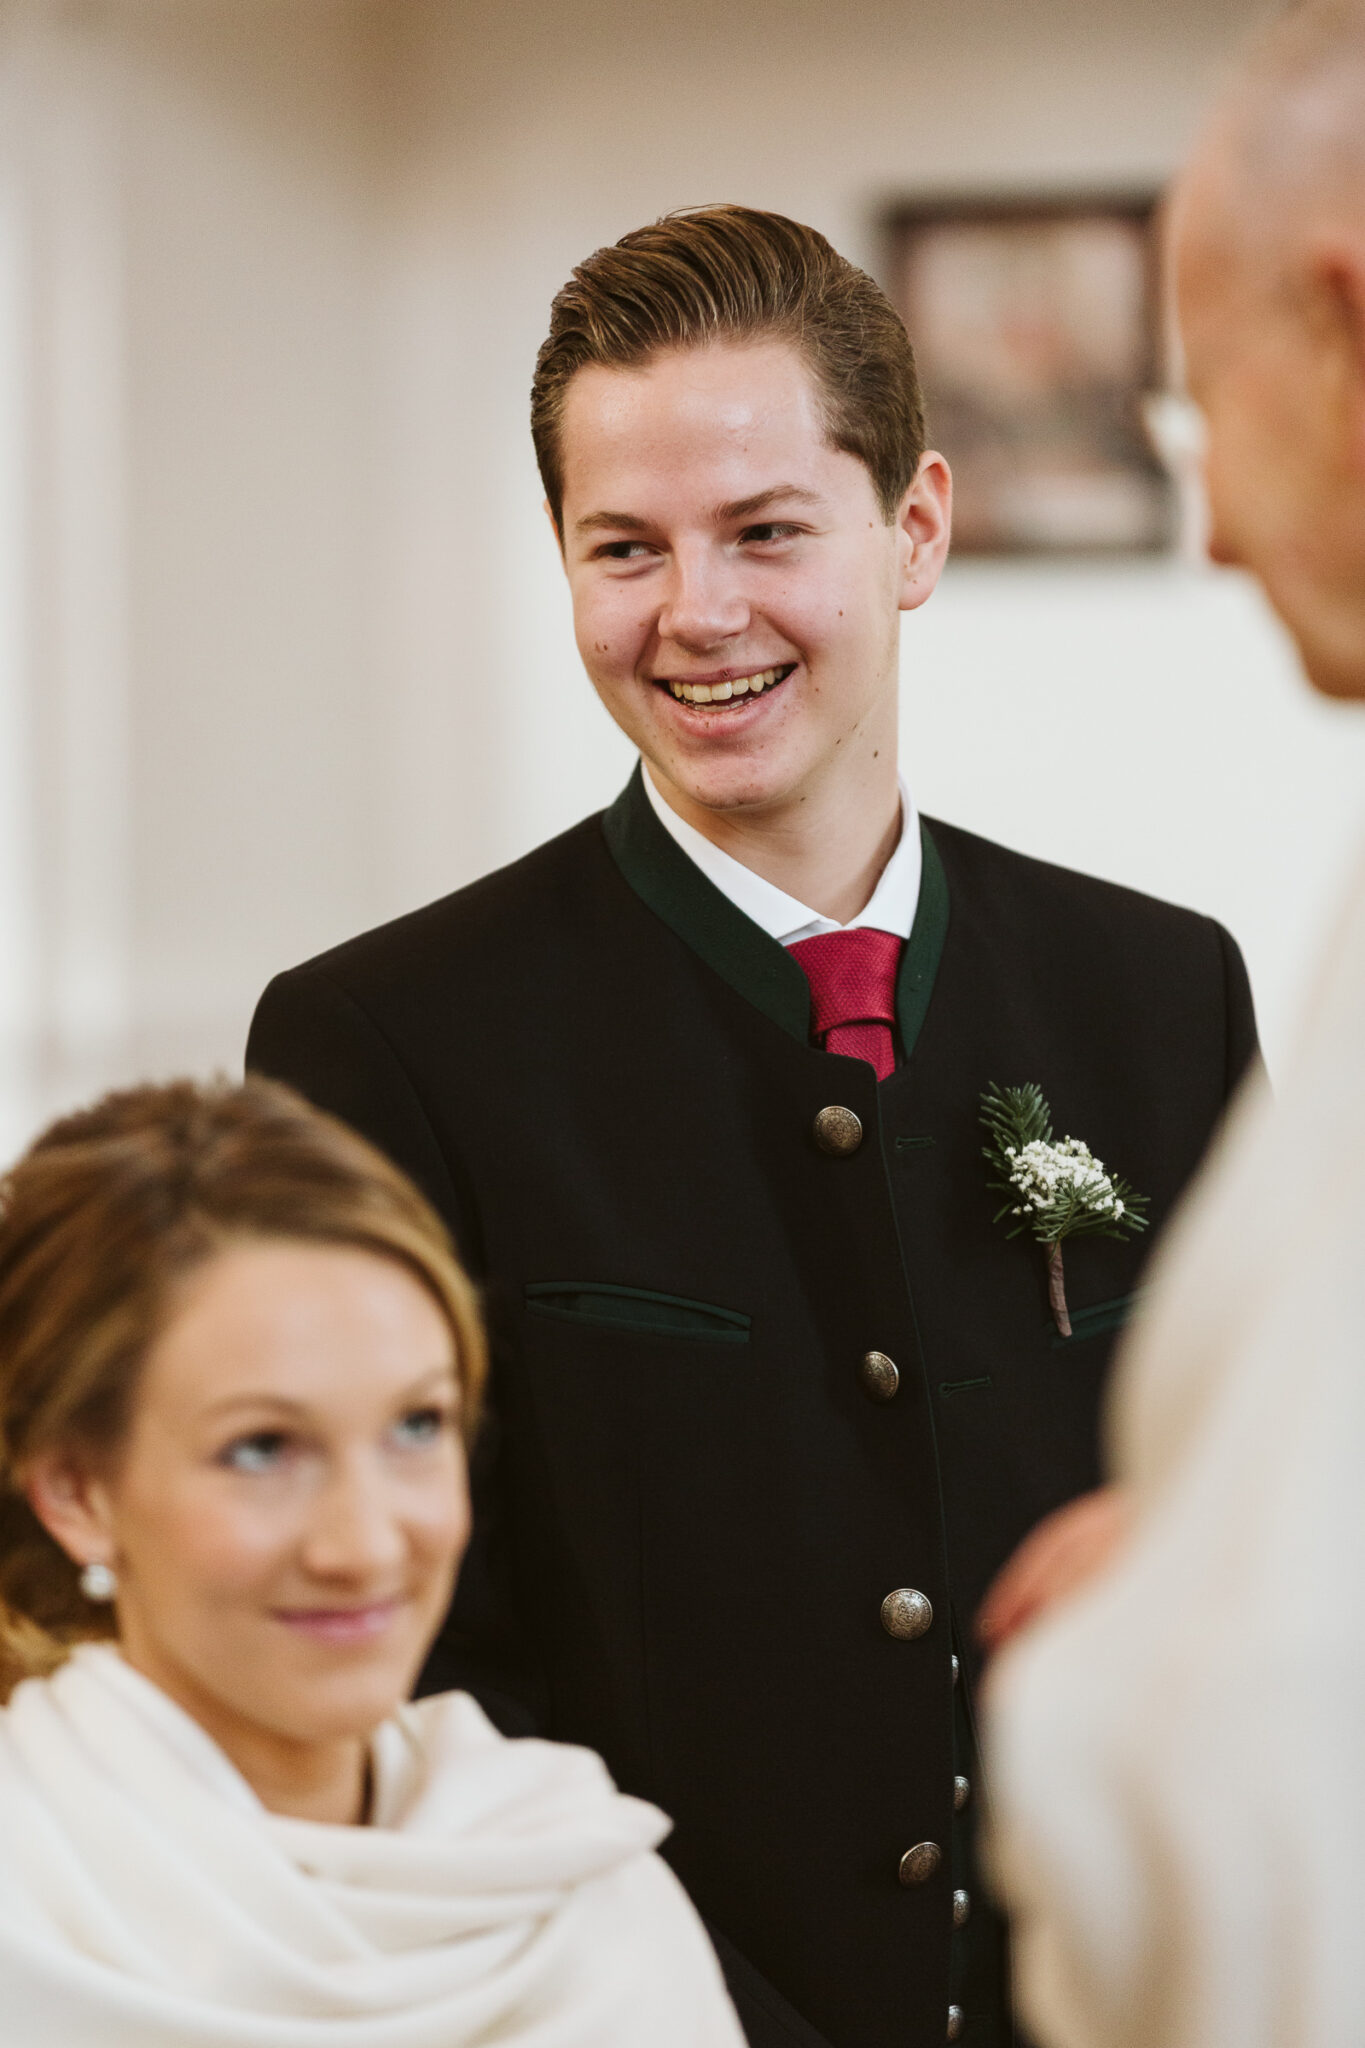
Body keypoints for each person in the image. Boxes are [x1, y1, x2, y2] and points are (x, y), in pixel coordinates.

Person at [247, 206, 1259, 2048]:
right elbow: (402, 1669)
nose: (695, 614)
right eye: (622, 546)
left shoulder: (1165, 993)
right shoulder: (380, 1044)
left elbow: (1272, 1553)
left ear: (918, 529)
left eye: (767, 531)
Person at [984, 7, 1365, 2045]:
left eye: (1204, 417)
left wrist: (1111, 1664)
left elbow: (1267, 1752)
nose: (1207, 531)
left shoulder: (1146, 974)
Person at [0, 1077, 743, 2048]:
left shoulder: (584, 1886)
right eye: (261, 1446)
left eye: (416, 1424)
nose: (366, 1544)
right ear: (78, 1490)